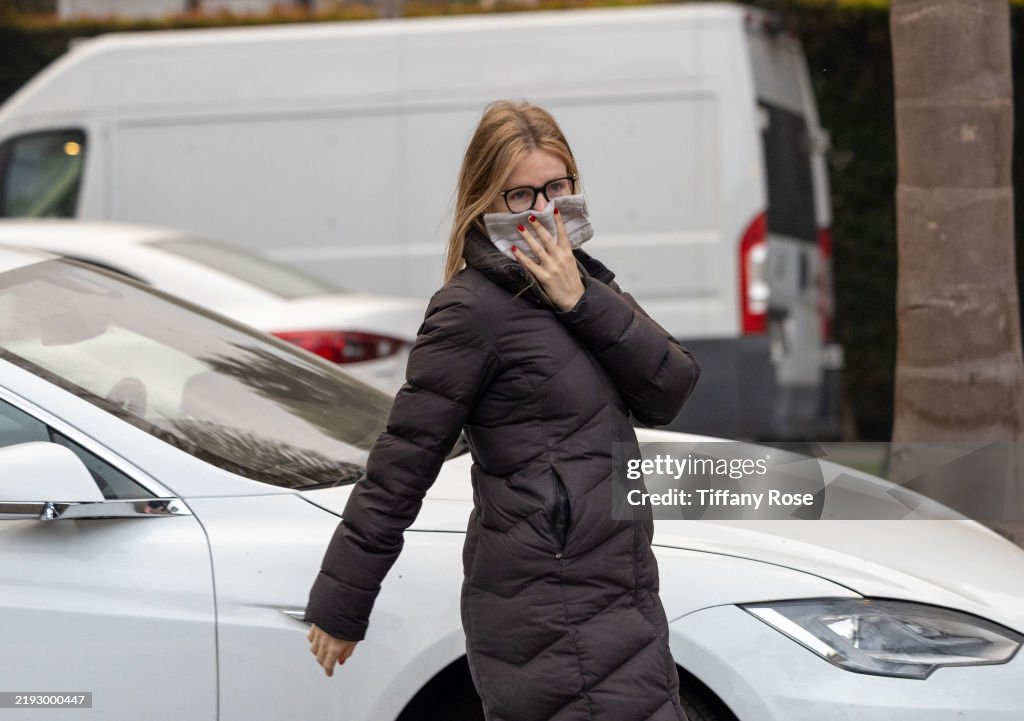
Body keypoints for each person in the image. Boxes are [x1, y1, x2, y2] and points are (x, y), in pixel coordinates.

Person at [305, 99, 700, 721]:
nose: (543, 211)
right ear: (484, 200)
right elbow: (400, 465)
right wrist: (341, 604)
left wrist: (581, 301)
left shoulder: (585, 282)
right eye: (520, 196)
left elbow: (669, 389)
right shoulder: (469, 311)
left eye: (556, 188)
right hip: (546, 611)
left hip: (620, 595)